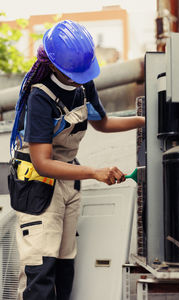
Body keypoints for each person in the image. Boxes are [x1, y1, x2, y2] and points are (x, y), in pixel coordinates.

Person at [8, 20, 145, 300]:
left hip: (68, 183)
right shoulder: (40, 96)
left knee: (64, 264)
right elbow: (42, 162)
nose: (81, 77)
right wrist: (94, 172)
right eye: (75, 73)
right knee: (41, 267)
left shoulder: (83, 84)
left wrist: (146, 119)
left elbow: (102, 123)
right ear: (55, 66)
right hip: (38, 188)